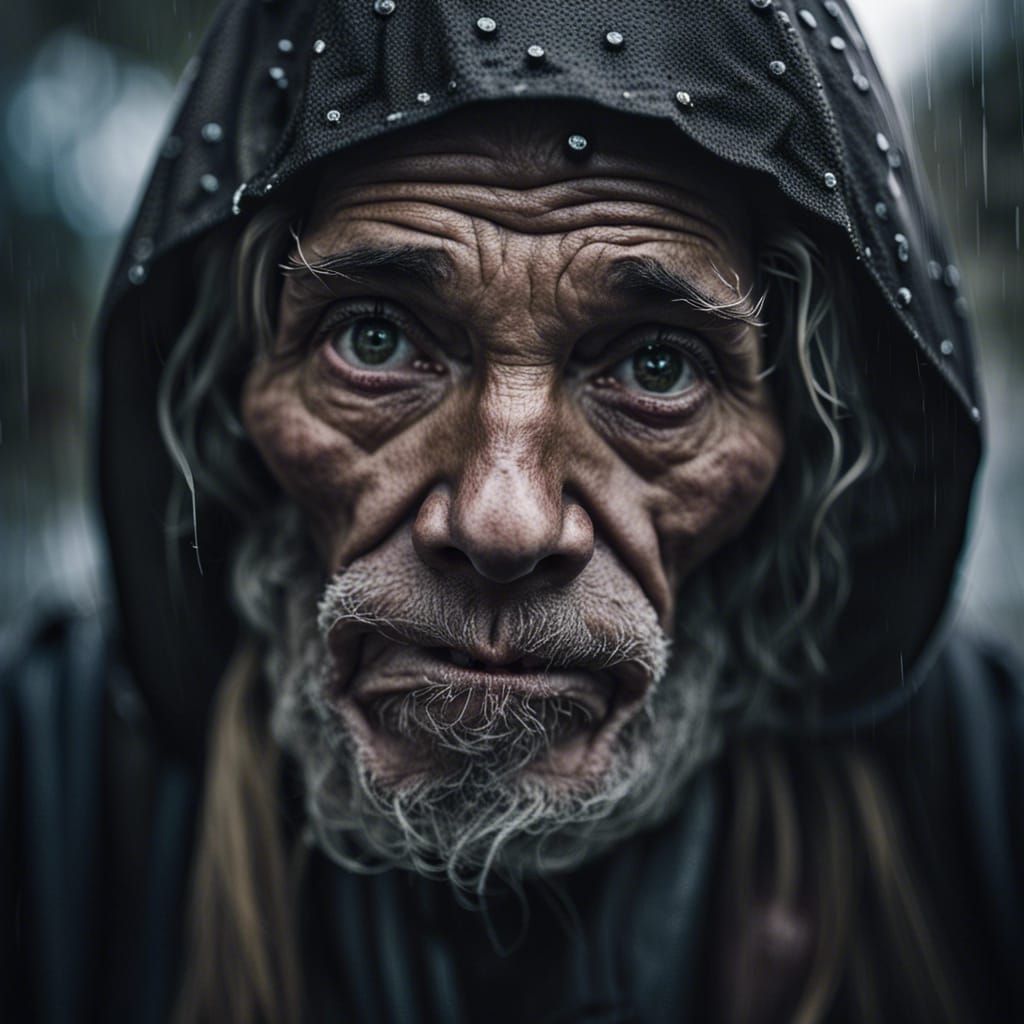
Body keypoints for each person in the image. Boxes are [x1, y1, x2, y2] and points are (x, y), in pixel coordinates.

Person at [3, 1, 1022, 1021]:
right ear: (231, 392)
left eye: (657, 366)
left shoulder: (976, 790)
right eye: (375, 342)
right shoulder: (54, 790)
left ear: (798, 444)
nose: (504, 521)